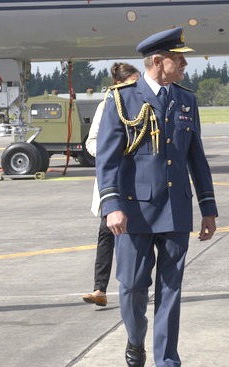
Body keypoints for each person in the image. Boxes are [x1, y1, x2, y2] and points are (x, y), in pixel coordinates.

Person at [95, 27, 218, 367]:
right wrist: (112, 205)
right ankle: (135, 338)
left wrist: (208, 207)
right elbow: (108, 160)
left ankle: (169, 366)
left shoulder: (185, 100)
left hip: (176, 209)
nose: (183, 63)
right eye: (177, 57)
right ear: (157, 61)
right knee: (132, 286)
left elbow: (196, 157)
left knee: (171, 289)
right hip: (134, 212)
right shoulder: (122, 100)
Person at [82, 62, 140, 307]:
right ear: (119, 85)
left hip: (140, 184)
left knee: (143, 239)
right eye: (133, 83)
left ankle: (139, 286)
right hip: (113, 185)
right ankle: (99, 289)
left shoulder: (144, 104)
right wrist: (112, 154)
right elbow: (92, 142)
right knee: (107, 235)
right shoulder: (107, 105)